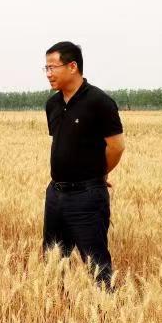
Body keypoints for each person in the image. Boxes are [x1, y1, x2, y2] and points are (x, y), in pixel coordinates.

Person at [43, 41, 125, 287]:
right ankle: (58, 306)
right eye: (45, 68)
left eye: (52, 67)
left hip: (87, 196)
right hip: (55, 193)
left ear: (72, 66)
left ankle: (105, 307)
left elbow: (116, 147)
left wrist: (97, 174)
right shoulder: (52, 104)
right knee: (53, 263)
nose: (48, 73)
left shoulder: (99, 102)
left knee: (96, 265)